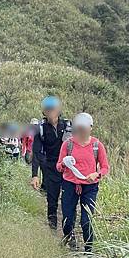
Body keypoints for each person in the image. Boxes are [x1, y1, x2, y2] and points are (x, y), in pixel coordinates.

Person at [56, 113, 109, 251]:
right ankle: (68, 236)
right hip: (69, 184)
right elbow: (58, 166)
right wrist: (64, 164)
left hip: (90, 187)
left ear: (90, 128)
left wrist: (96, 174)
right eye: (79, 128)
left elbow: (105, 167)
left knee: (86, 221)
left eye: (84, 128)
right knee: (67, 219)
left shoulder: (97, 145)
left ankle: (89, 251)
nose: (82, 131)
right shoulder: (68, 145)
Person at [31, 96, 72, 230]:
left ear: (59, 110)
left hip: (68, 169)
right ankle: (52, 230)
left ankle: (69, 232)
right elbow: (36, 152)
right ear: (44, 111)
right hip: (50, 168)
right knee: (52, 201)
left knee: (68, 202)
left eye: (53, 109)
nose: (51, 111)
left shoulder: (68, 126)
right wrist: (35, 175)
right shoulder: (40, 129)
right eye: (48, 109)